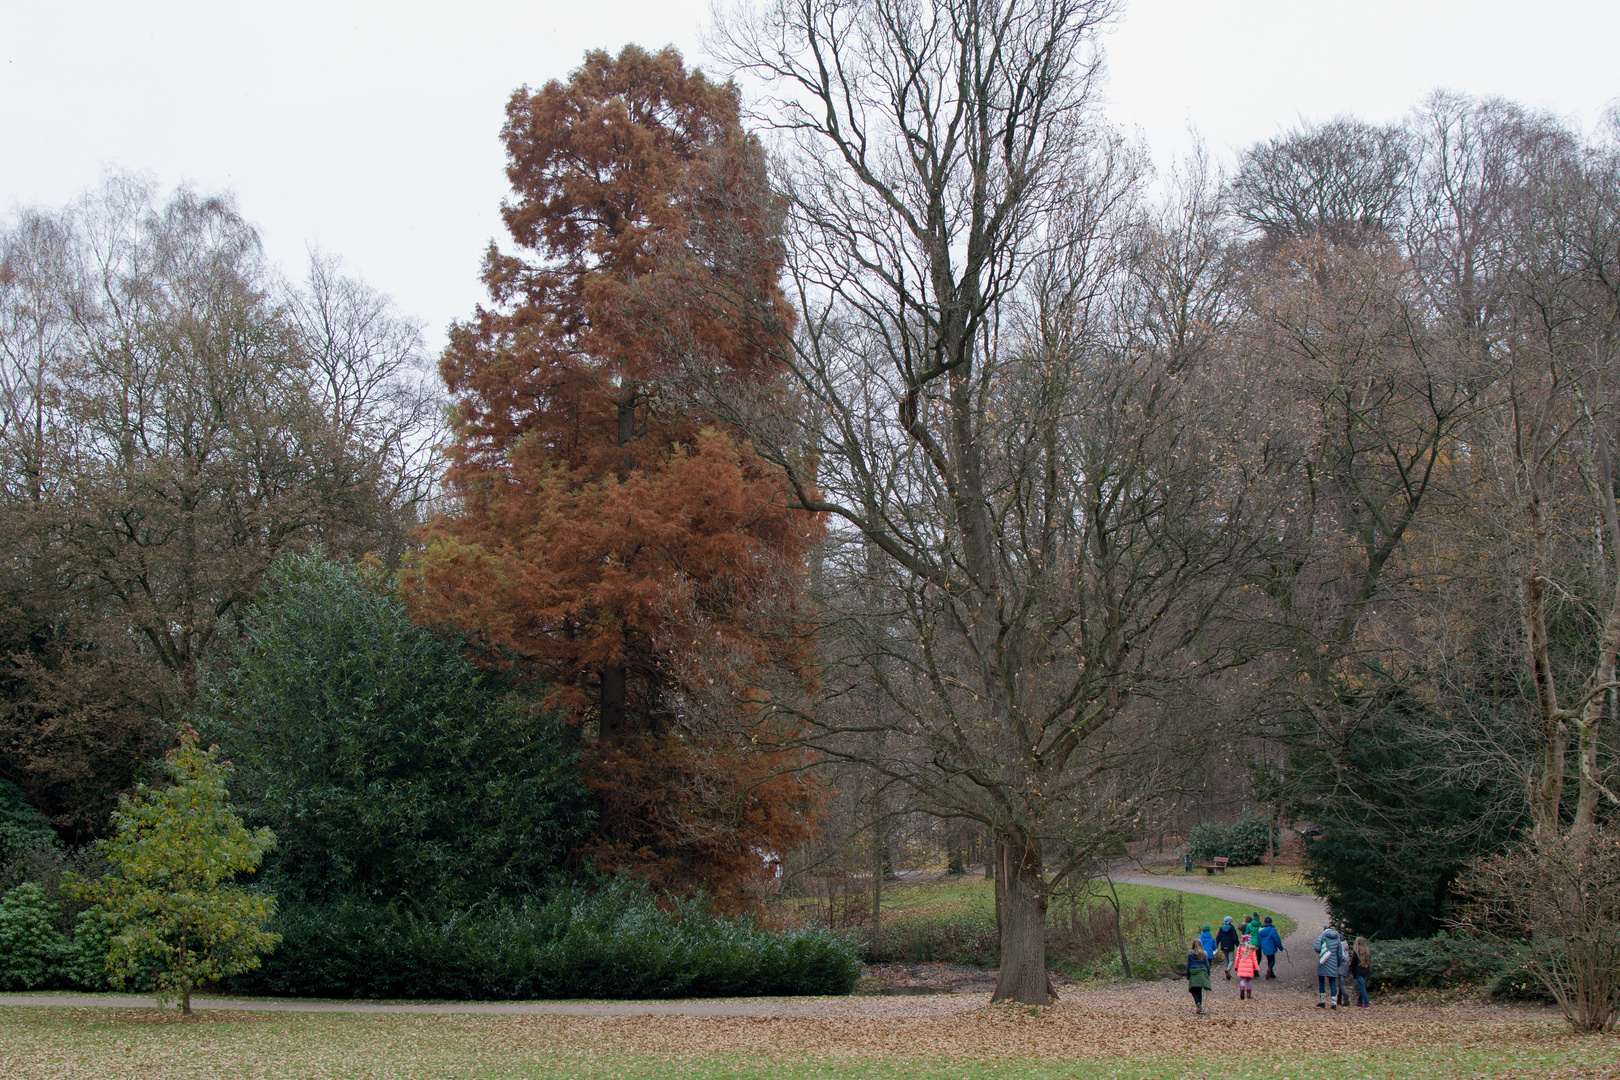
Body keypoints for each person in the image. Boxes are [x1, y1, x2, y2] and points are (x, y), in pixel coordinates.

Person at [1315, 924, 1344, 1008]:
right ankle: (1334, 1003)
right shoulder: (1337, 939)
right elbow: (1340, 954)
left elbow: (1317, 948)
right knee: (1332, 982)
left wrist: (1322, 951)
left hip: (1323, 962)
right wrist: (1338, 964)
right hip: (1333, 963)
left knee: (1321, 981)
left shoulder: (1322, 937)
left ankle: (1322, 1001)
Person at [1186, 939, 1213, 1014]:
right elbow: (1207, 965)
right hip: (1201, 973)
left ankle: (1198, 1003)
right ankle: (1199, 1006)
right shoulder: (1204, 954)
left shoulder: (1190, 954)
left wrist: (1188, 975)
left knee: (1192, 990)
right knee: (1199, 990)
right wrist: (1208, 974)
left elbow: (1188, 965)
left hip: (1193, 973)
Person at [1232, 932, 1262, 999]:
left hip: (1242, 964)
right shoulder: (1252, 949)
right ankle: (1248, 994)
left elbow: (1237, 958)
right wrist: (1257, 968)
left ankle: (1242, 988)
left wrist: (1236, 966)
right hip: (1249, 966)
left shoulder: (1240, 948)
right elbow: (1254, 959)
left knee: (1242, 979)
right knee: (1249, 980)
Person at [1350, 937, 1372, 1007]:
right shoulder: (1367, 951)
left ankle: (1367, 1003)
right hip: (1365, 970)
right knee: (1362, 986)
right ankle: (1359, 1002)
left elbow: (1353, 963)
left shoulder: (1356, 952)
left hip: (1358, 971)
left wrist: (1352, 971)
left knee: (1362, 987)